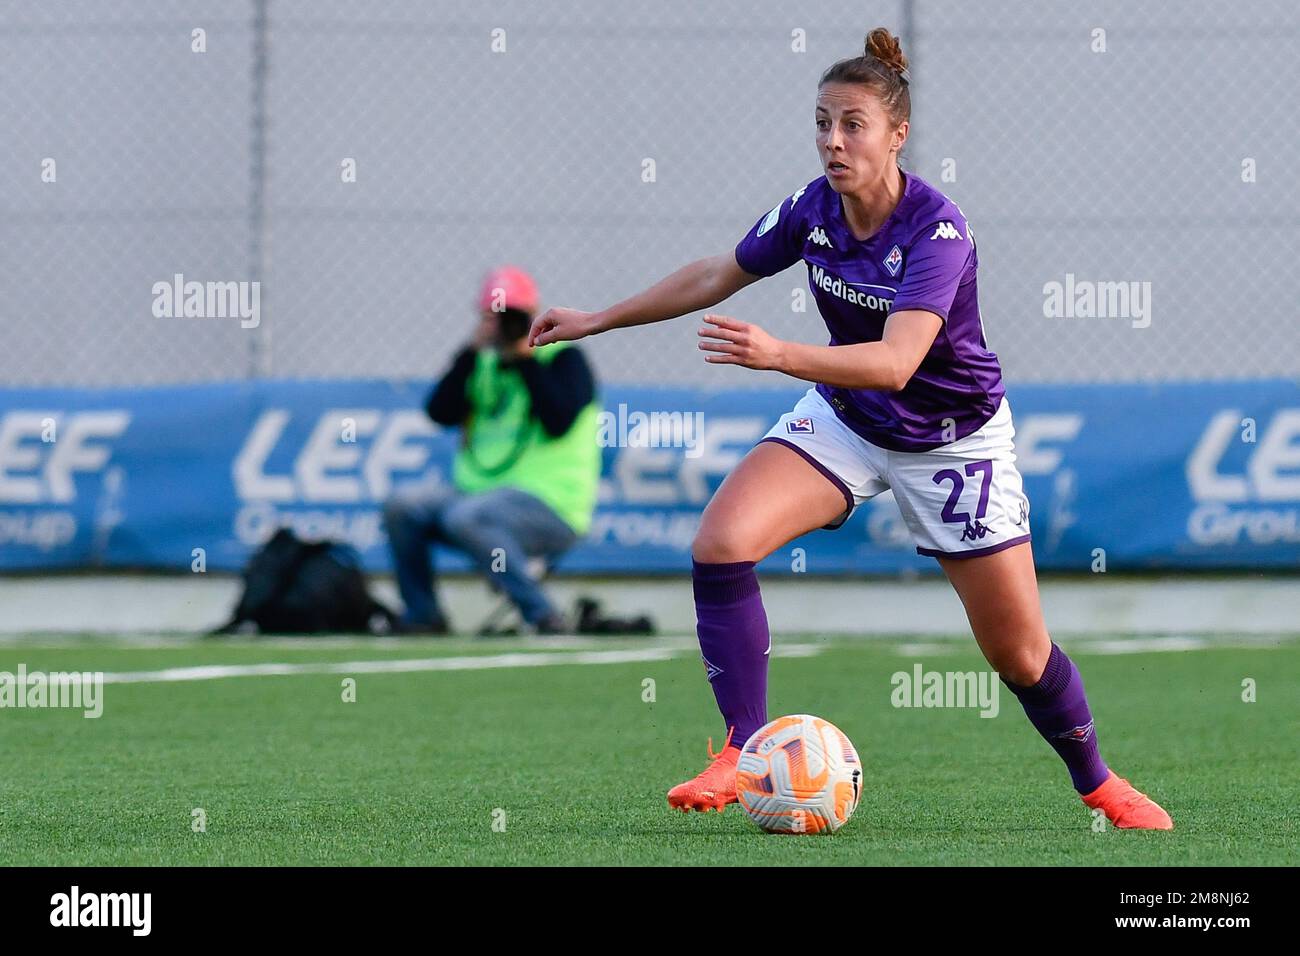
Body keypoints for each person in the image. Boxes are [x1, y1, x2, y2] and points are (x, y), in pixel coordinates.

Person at [529, 29, 1172, 828]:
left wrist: (779, 355)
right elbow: (716, 271)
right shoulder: (812, 207)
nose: (834, 140)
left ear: (897, 134)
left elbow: (899, 361)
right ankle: (739, 749)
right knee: (721, 543)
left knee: (1018, 655)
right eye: (823, 123)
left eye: (853, 124)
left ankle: (1099, 783)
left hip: (950, 441)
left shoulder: (937, 231)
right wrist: (599, 318)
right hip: (848, 417)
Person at [384, 266, 599, 635]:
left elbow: (558, 419)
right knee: (402, 506)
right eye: (495, 317)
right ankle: (423, 614)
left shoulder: (563, 359)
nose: (505, 325)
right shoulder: (480, 361)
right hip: (476, 497)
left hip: (550, 504)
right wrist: (469, 353)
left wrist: (525, 358)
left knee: (467, 517)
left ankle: (543, 616)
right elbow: (438, 411)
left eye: (512, 317)